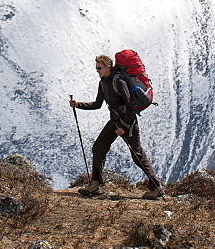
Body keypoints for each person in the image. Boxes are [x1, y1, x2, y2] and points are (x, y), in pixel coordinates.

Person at [70, 54, 165, 198]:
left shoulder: (119, 81)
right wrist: (78, 105)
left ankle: (157, 187)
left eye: (99, 68)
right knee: (98, 148)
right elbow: (97, 104)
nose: (97, 71)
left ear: (108, 66)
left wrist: (124, 127)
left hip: (127, 122)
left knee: (137, 154)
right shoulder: (103, 83)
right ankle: (96, 184)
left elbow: (130, 106)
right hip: (115, 121)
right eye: (96, 68)